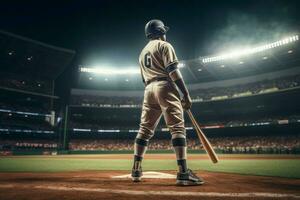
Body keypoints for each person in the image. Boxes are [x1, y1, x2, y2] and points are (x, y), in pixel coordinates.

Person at [131, 19, 204, 186]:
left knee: (145, 129)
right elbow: (173, 71)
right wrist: (185, 94)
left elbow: (143, 79)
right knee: (177, 128)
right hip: (165, 84)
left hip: (148, 89)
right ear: (161, 32)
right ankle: (183, 172)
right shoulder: (165, 45)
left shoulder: (142, 53)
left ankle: (136, 170)